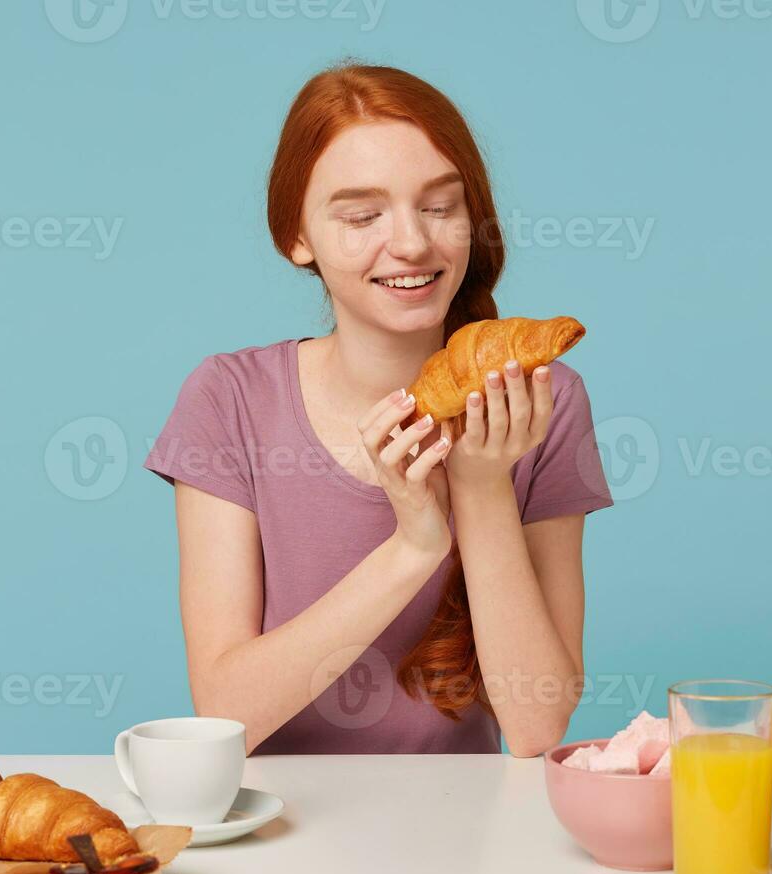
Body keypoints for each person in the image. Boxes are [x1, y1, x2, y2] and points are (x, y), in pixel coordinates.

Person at [146, 62, 614, 757]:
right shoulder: (230, 399)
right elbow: (226, 712)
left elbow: (537, 724)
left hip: (470, 840)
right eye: (363, 215)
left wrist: (481, 488)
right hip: (281, 839)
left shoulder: (542, 399)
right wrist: (413, 546)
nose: (413, 244)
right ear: (295, 237)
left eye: (440, 206)